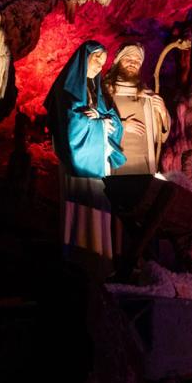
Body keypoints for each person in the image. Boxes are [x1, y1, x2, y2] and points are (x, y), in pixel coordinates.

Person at [44, 40, 125, 278]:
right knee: (81, 208)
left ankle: (100, 262)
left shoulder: (94, 90)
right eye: (96, 59)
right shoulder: (66, 89)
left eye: (103, 61)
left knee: (100, 208)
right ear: (83, 59)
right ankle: (80, 263)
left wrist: (104, 121)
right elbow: (70, 127)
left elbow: (111, 119)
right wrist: (98, 125)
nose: (100, 65)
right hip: (79, 165)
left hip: (98, 163)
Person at [102, 43, 171, 175]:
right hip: (116, 162)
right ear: (118, 61)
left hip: (143, 162)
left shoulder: (148, 94)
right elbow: (96, 124)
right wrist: (122, 125)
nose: (133, 63)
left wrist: (162, 112)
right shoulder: (104, 91)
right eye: (129, 59)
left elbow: (161, 136)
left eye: (137, 61)